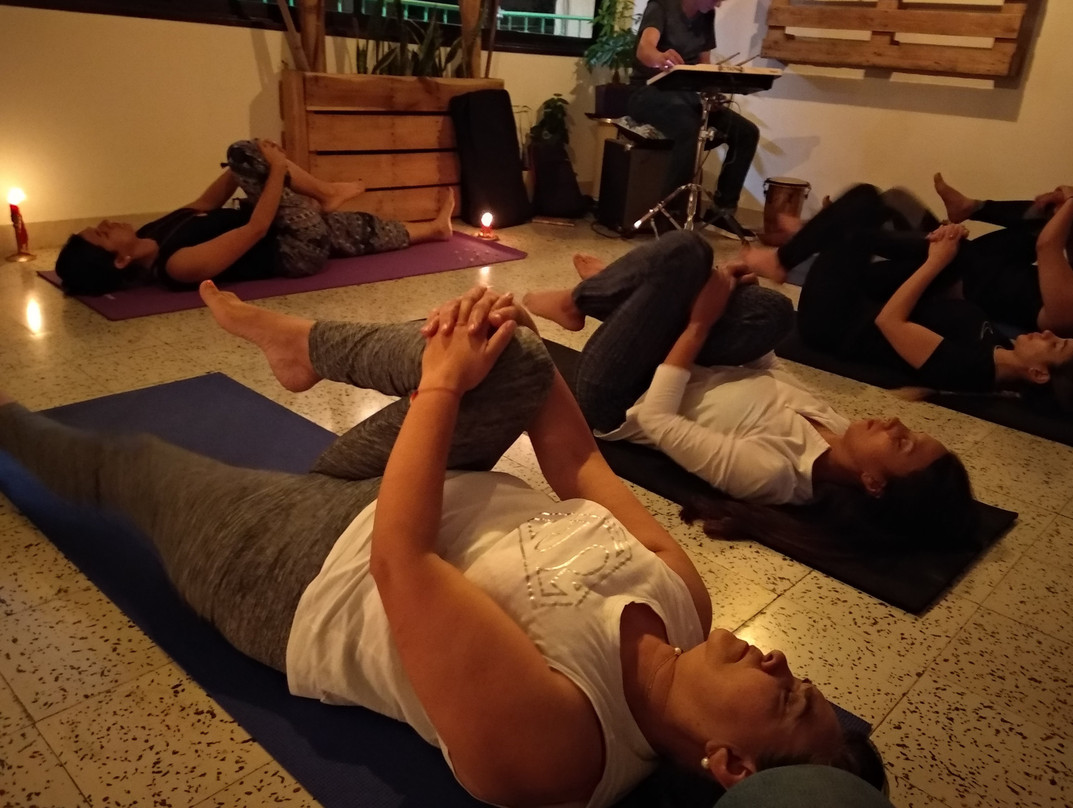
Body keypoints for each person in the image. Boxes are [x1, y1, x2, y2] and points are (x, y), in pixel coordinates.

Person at [0, 282, 882, 807]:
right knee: (517, 356)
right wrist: (511, 335)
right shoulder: (687, 601)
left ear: (728, 766)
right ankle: (302, 347)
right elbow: (580, 466)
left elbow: (401, 564)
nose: (777, 662)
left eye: (785, 699)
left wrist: (442, 385)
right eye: (797, 677)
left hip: (300, 567)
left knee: (132, 464)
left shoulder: (564, 748)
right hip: (400, 485)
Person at [522, 231, 976, 543]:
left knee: (687, 253)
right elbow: (763, 369)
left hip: (623, 395)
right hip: (685, 363)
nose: (896, 423)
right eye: (909, 430)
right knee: (770, 311)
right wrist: (734, 303)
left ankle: (583, 300)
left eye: (901, 443)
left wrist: (701, 323)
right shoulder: (837, 427)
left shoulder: (775, 475)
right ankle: (628, 289)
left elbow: (655, 419)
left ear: (873, 483)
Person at [741, 184, 1073, 411]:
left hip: (835, 321)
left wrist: (935, 262)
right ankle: (818, 233)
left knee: (861, 209)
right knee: (877, 211)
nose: (1051, 334)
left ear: (1038, 373)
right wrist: (943, 246)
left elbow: (890, 321)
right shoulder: (1001, 349)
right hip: (867, 299)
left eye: (1057, 345)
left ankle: (787, 256)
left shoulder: (968, 368)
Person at [54, 139, 454, 295]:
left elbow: (205, 203)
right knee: (246, 152)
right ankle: (327, 192)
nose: (106, 224)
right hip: (292, 252)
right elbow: (256, 229)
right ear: (120, 260)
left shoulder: (151, 231)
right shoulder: (177, 266)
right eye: (102, 235)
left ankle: (436, 229)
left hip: (284, 230)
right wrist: (274, 169)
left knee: (361, 231)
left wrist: (239, 172)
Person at [627, 0, 758, 237]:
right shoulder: (662, 5)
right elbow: (644, 50)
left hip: (686, 95)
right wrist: (660, 57)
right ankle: (669, 216)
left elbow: (703, 65)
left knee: (746, 132)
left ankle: (721, 211)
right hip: (648, 92)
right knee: (690, 129)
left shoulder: (706, 15)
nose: (718, 4)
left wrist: (713, 91)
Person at [932, 174, 1073, 337]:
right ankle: (970, 207)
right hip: (1004, 266)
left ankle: (964, 213)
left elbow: (1047, 246)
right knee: (1051, 217)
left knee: (1055, 223)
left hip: (976, 283)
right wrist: (1065, 209)